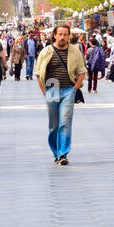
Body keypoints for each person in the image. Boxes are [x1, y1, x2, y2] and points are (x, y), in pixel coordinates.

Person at [33, 23, 86, 165]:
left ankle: (63, 153)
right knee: (54, 125)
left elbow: (82, 71)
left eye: (65, 34)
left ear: (69, 36)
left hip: (68, 89)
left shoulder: (75, 51)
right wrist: (45, 91)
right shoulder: (46, 51)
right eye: (60, 34)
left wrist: (75, 88)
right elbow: (38, 74)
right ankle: (55, 152)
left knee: (65, 123)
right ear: (55, 35)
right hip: (52, 88)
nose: (62, 37)